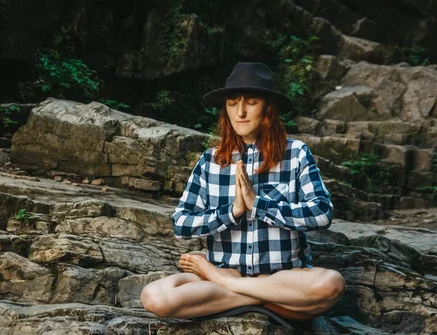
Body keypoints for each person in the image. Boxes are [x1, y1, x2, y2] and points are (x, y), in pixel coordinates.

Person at [141, 62, 346, 321]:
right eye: (232, 102)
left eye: (250, 102)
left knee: (331, 283)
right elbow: (181, 223)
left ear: (268, 108)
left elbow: (322, 213)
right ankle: (270, 301)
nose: (240, 112)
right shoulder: (210, 161)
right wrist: (234, 211)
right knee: (155, 297)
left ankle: (234, 288)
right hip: (252, 283)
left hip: (282, 278)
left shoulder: (296, 154)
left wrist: (259, 205)